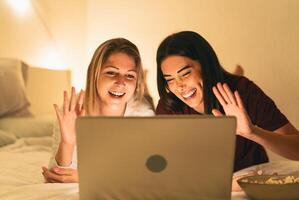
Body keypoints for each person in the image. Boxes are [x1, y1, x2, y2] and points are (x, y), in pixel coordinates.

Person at [155, 31, 299, 190]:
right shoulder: (169, 108)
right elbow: (164, 172)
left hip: (253, 190)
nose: (179, 86)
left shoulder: (243, 93)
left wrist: (252, 132)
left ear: (206, 65)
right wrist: (230, 185)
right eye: (169, 80)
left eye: (185, 73)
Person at [42, 38, 155, 183]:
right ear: (95, 74)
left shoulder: (142, 113)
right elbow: (56, 177)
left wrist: (89, 176)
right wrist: (67, 142)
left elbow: (145, 174)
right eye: (111, 72)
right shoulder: (73, 109)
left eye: (130, 75)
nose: (121, 82)